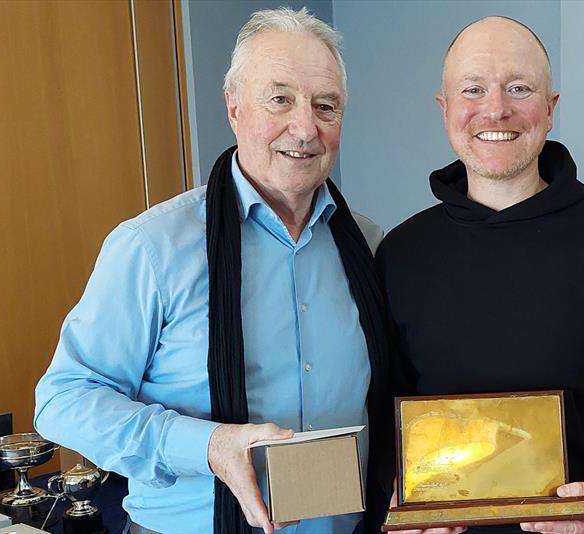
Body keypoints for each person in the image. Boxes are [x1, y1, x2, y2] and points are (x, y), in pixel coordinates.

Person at [34, 7, 391, 534]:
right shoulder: (151, 247)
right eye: (280, 99)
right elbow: (63, 399)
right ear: (233, 108)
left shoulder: (368, 243)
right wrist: (206, 445)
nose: (305, 126)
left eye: (326, 105)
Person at [375, 16, 584, 534]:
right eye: (473, 89)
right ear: (444, 109)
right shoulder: (400, 253)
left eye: (518, 88)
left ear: (550, 108)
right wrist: (396, 495)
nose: (495, 109)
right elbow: (380, 403)